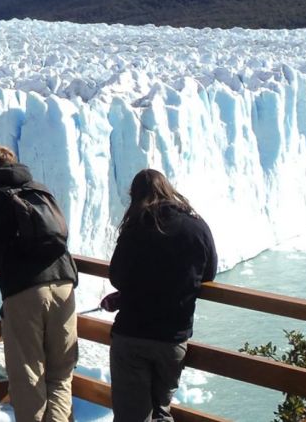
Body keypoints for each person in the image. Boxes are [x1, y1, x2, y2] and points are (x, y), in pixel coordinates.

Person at [0, 145, 79, 422]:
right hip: (63, 282)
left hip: (24, 289)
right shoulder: (40, 189)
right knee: (61, 373)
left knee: (28, 376)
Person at [107, 169, 218, 422]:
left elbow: (117, 275)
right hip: (172, 338)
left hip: (132, 335)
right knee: (161, 412)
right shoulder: (196, 225)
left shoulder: (135, 226)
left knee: (131, 417)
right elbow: (209, 272)